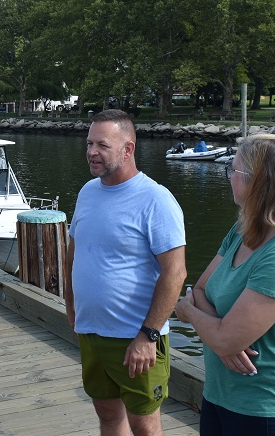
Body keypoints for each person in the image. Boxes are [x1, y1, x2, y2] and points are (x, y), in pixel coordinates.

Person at [175, 133, 275, 435]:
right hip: (219, 396)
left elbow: (195, 303)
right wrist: (221, 337)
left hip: (268, 411)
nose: (229, 177)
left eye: (234, 170)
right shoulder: (244, 228)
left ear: (259, 183)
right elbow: (202, 289)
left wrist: (191, 312)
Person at [64, 109, 187, 436]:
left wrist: (148, 335)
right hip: (91, 332)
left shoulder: (156, 200)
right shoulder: (87, 192)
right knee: (107, 416)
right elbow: (74, 254)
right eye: (89, 143)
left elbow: (175, 274)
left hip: (136, 339)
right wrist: (71, 307)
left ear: (128, 149)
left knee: (145, 426)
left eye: (102, 145)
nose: (91, 152)